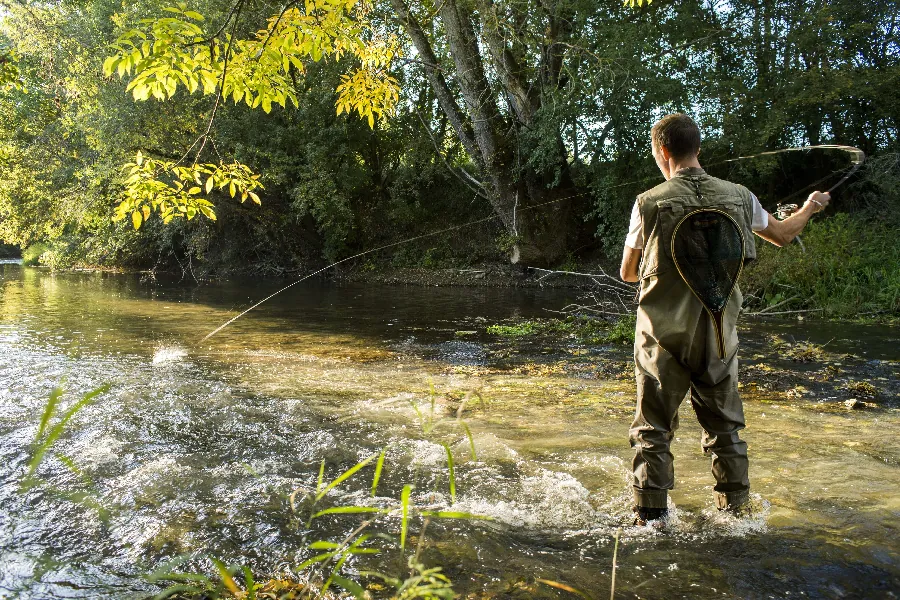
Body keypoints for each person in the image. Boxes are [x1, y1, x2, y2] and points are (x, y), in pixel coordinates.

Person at [619, 113, 830, 524]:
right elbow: (785, 235)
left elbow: (628, 273)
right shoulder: (740, 196)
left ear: (663, 151)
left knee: (653, 432)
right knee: (726, 432)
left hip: (662, 338)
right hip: (718, 335)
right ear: (697, 148)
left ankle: (651, 521)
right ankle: (737, 518)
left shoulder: (648, 202)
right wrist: (811, 207)